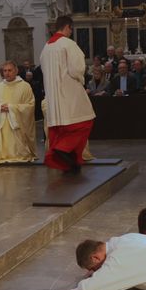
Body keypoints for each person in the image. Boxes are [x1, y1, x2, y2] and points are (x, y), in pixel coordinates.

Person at [41, 15, 95, 173]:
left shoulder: (46, 47)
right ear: (67, 27)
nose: (71, 33)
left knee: (61, 128)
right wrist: (81, 78)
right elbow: (76, 69)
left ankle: (70, 162)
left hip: (53, 95)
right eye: (71, 30)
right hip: (68, 91)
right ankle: (62, 149)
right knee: (85, 120)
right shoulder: (68, 44)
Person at [0, 60, 38, 165]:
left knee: (19, 151)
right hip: (2, 122)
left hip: (17, 126)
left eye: (10, 70)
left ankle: (20, 153)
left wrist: (12, 108)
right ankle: (2, 154)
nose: (7, 73)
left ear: (16, 71)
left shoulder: (25, 87)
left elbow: (30, 106)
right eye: (5, 71)